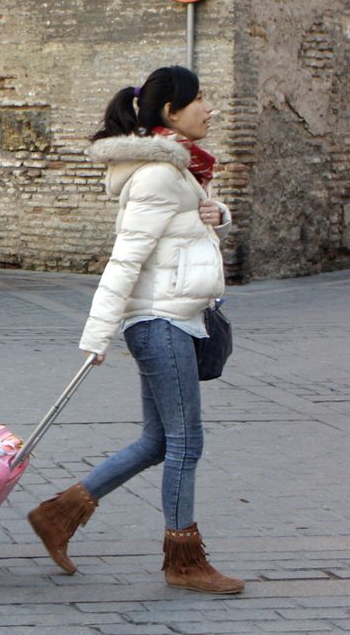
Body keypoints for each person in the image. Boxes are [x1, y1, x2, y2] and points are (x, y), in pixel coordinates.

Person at [28, 65, 242, 595]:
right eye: (201, 99)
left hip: (175, 318)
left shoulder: (182, 171)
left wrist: (219, 213)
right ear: (171, 112)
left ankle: (59, 515)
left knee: (157, 441)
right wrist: (97, 336)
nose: (210, 107)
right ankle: (183, 560)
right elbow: (124, 261)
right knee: (186, 444)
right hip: (159, 322)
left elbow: (189, 228)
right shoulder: (158, 176)